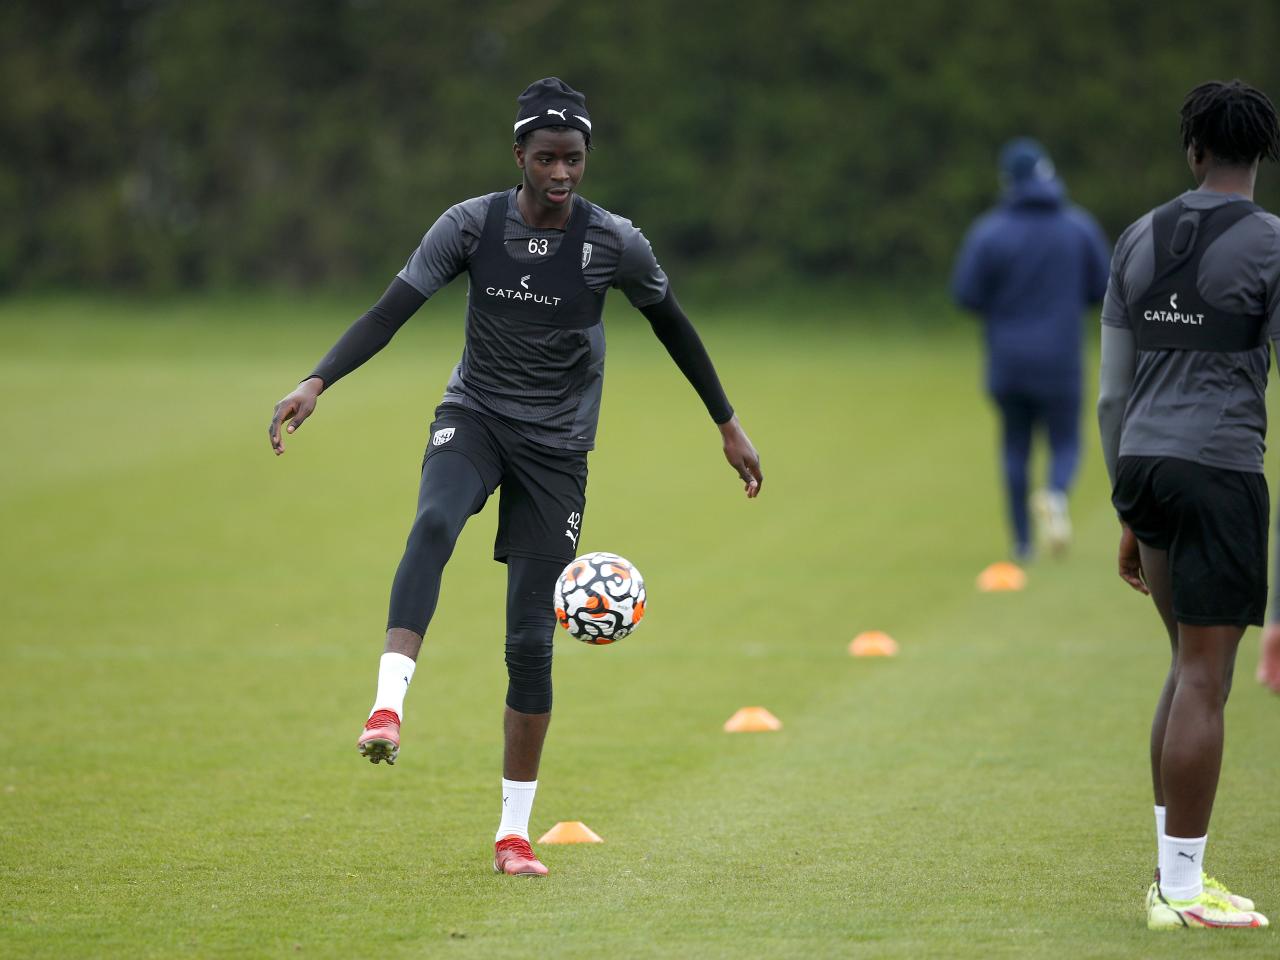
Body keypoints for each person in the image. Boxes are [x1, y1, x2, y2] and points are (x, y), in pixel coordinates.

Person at [268, 78, 763, 877]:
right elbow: (390, 310)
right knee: (433, 524)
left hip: (558, 450)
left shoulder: (615, 243)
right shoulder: (470, 226)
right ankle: (387, 706)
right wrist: (317, 381)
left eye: (574, 159)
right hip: (478, 417)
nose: (562, 173)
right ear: (519, 157)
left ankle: (512, 836)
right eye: (547, 159)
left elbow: (673, 325)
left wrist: (726, 421)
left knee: (530, 646)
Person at [1097, 78, 1280, 930]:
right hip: (1218, 468)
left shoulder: (1137, 236)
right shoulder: (1272, 243)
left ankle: (1172, 876)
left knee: (1184, 665)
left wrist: (1128, 509)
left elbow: (1110, 394)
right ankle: (1180, 888)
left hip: (1141, 464)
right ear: (1259, 157)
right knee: (1207, 676)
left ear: (1194, 150)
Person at [951, 138, 1110, 561]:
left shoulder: (989, 231)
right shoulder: (1078, 227)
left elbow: (966, 294)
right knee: (1066, 442)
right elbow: (1102, 287)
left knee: (1014, 447)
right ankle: (1056, 493)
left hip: (1008, 358)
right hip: (1060, 356)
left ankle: (1022, 543)